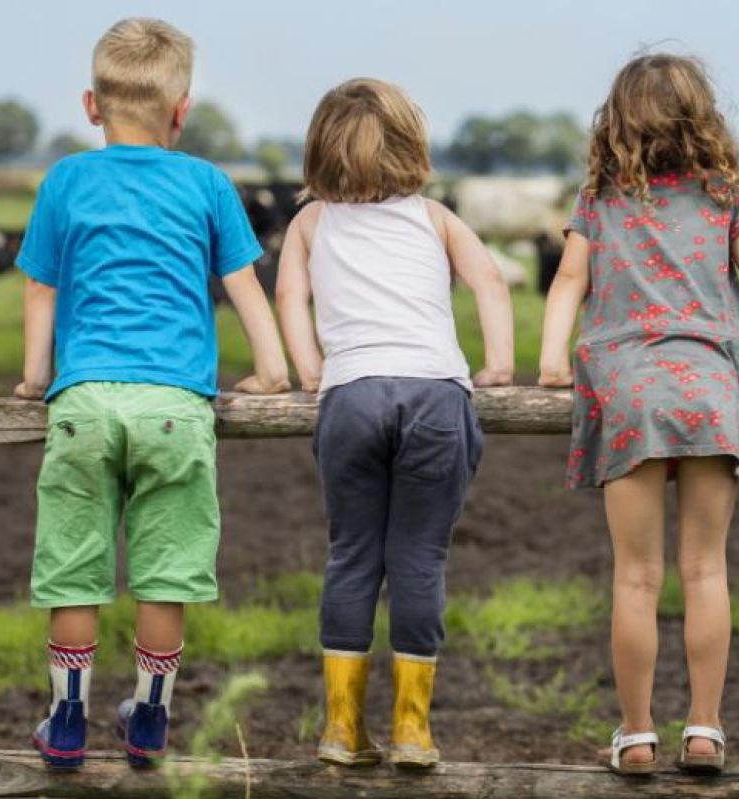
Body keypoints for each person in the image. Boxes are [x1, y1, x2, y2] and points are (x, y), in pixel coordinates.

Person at [15, 17, 289, 771]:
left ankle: (66, 719)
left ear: (90, 104)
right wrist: (272, 371)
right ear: (181, 110)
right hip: (174, 404)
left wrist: (36, 376)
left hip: (84, 403)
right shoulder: (206, 183)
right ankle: (149, 719)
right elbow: (243, 286)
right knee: (165, 567)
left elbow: (41, 286)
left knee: (74, 564)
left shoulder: (66, 179)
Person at [538, 54, 739, 776]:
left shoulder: (597, 199)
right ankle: (706, 728)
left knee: (636, 578)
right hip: (709, 391)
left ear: (615, 123)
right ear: (702, 120)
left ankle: (635, 733)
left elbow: (568, 278)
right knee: (705, 569)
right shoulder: (724, 198)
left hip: (628, 395)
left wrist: (553, 361)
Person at [274, 78, 514, 769]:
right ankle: (412, 729)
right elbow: (489, 282)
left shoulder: (311, 222)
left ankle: (342, 729)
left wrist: (311, 368)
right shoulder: (435, 218)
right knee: (418, 559)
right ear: (414, 145)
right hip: (435, 392)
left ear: (320, 149)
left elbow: (291, 294)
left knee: (352, 555)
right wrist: (497, 362)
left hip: (350, 395)